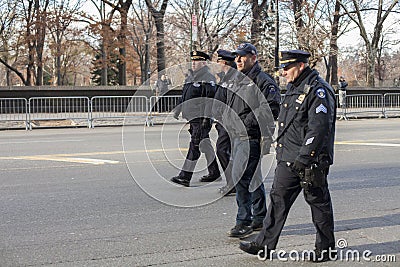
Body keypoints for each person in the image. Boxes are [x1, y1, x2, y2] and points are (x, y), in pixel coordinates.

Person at [239, 50, 337, 263]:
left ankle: (326, 248)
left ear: (301, 66)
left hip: (309, 160)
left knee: (318, 203)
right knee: (277, 201)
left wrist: (306, 157)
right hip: (288, 157)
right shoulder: (295, 87)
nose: (283, 72)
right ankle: (263, 244)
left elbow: (318, 128)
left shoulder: (318, 90)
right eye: (282, 68)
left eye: (287, 67)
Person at [223, 43, 278, 238]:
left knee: (241, 178)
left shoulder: (262, 81)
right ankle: (259, 217)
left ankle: (243, 221)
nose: (237, 59)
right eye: (236, 56)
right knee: (253, 178)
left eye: (242, 56)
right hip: (237, 136)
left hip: (251, 136)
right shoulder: (238, 80)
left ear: (253, 58)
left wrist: (244, 122)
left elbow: (271, 107)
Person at [170, 51, 220, 187]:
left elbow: (210, 100)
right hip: (192, 117)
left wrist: (206, 118)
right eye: (192, 60)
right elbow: (185, 95)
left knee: (195, 145)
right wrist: (178, 109)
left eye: (196, 61)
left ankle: (185, 176)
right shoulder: (191, 76)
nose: (193, 62)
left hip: (201, 118)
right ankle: (214, 172)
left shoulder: (208, 77)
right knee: (205, 144)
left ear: (204, 62)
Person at [212, 49, 237, 196]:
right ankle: (232, 182)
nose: (218, 65)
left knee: (223, 150)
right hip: (223, 121)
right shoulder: (225, 77)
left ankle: (233, 182)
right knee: (225, 150)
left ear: (225, 63)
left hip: (230, 122)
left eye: (220, 62)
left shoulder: (234, 78)